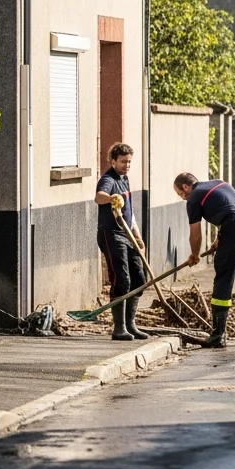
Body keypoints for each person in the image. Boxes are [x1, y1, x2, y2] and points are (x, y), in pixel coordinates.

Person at [174, 172, 235, 348]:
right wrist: (219, 239)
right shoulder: (219, 183)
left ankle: (218, 335)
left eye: (180, 194)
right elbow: (231, 209)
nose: (182, 198)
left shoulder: (194, 197)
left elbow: (195, 232)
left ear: (185, 187)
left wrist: (195, 254)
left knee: (224, 275)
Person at [94, 142, 148, 341]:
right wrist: (111, 198)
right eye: (123, 161)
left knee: (138, 279)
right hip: (111, 234)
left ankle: (131, 325)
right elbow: (99, 197)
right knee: (121, 280)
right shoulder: (107, 179)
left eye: (129, 162)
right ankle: (119, 328)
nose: (127, 165)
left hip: (127, 234)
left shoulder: (125, 180)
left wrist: (136, 235)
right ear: (113, 161)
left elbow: (129, 213)